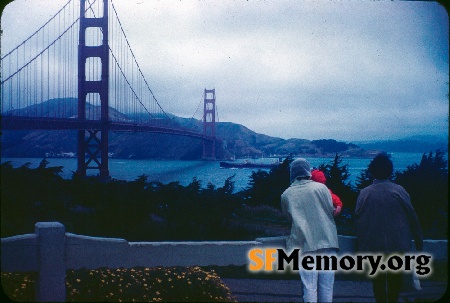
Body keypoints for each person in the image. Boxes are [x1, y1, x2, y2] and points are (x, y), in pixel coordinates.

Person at [355, 152, 423, 303]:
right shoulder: (399, 191)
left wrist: (361, 245)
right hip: (398, 244)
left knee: (378, 281)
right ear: (390, 171)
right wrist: (419, 241)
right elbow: (413, 217)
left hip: (374, 245)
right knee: (395, 281)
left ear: (372, 171)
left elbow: (358, 220)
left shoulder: (364, 193)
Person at [281, 158, 339, 303]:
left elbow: (289, 217)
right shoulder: (321, 188)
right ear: (308, 170)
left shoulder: (286, 194)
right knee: (327, 286)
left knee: (309, 287)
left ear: (292, 172)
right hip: (327, 241)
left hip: (304, 243)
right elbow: (330, 210)